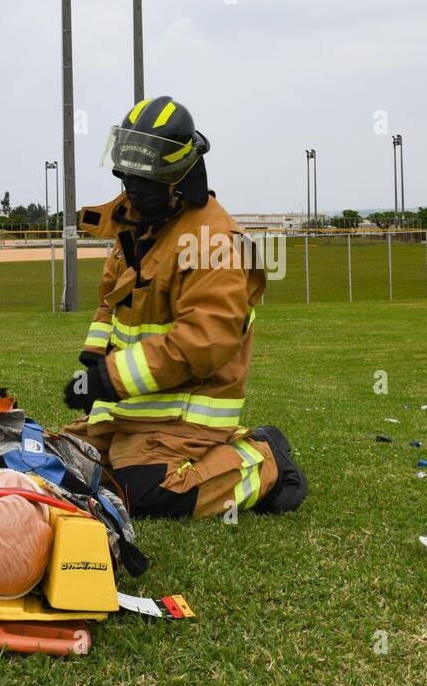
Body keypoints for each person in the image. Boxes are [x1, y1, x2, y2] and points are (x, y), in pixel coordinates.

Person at [57, 96, 307, 518]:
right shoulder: (136, 224)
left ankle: (265, 462)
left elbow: (203, 341)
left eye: (145, 178)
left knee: (143, 492)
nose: (131, 187)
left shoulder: (213, 241)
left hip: (185, 415)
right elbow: (110, 301)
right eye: (127, 175)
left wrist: (109, 379)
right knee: (67, 466)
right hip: (131, 409)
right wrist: (94, 356)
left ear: (177, 177)